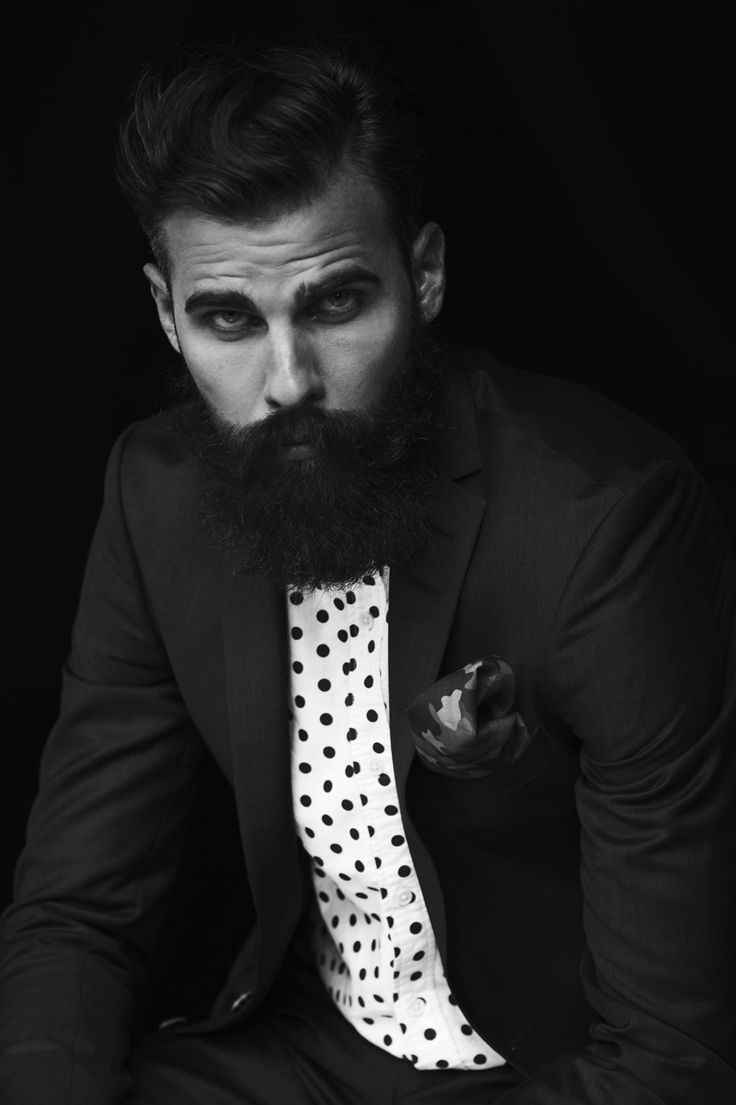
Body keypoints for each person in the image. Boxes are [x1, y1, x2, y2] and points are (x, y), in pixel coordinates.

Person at [1, 39, 734, 1105]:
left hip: (543, 1070)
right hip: (297, 1049)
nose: (287, 381)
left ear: (423, 275)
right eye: (228, 319)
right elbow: (79, 906)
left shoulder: (606, 521)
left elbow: (672, 1055)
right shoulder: (154, 495)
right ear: (167, 312)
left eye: (337, 305)